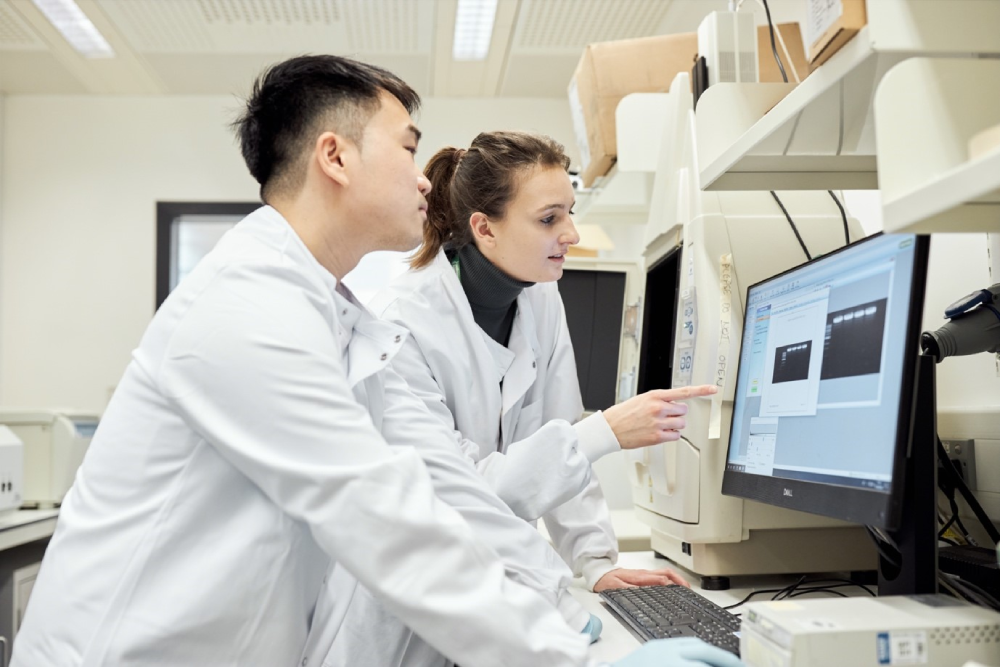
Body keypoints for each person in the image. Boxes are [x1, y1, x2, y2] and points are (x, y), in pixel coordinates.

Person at [12, 55, 740, 667]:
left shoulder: (337, 321)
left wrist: (557, 598)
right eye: (405, 147)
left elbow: (446, 495)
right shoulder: (248, 311)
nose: (427, 180)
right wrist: (575, 659)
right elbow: (382, 518)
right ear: (335, 156)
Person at [318, 132, 722, 666]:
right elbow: (461, 495)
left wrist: (595, 560)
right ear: (484, 228)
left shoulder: (541, 296)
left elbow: (557, 428)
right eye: (549, 218)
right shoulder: (401, 324)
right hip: (406, 616)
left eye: (569, 213)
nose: (571, 234)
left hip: (493, 590)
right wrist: (606, 431)